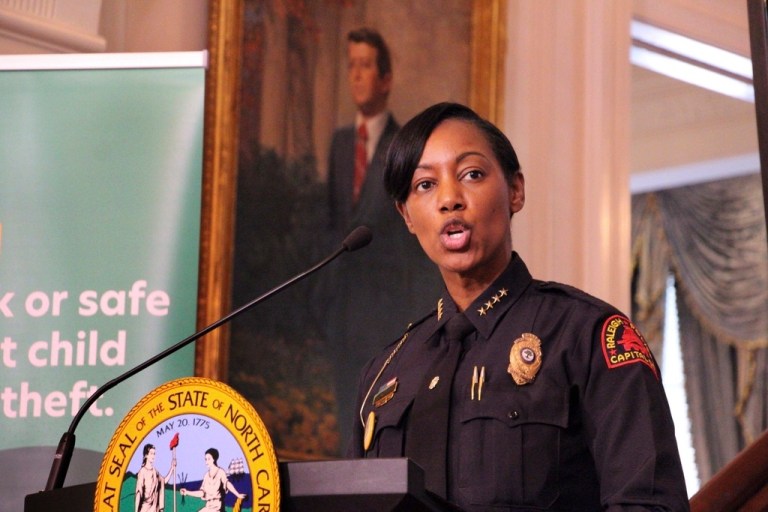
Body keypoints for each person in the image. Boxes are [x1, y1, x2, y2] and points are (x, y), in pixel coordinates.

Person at [349, 102, 690, 511]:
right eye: (425, 185)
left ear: (515, 191)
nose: (449, 199)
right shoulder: (385, 372)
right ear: (406, 215)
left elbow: (649, 504)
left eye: (471, 174)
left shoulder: (588, 337)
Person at [322, 27, 441, 453]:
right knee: (344, 415)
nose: (356, 76)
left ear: (386, 79)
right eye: (351, 66)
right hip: (342, 310)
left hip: (385, 309)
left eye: (366, 66)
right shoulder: (340, 144)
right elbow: (333, 222)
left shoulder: (404, 145)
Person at [180, 448, 246, 512]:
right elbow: (202, 493)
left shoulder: (220, 472)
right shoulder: (206, 476)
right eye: (205, 459)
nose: (206, 461)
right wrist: (187, 492)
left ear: (214, 459)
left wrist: (238, 495)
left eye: (209, 459)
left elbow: (227, 484)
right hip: (208, 507)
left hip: (217, 507)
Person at [134, 444, 175, 512]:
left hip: (154, 509)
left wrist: (172, 468)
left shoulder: (155, 472)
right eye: (151, 453)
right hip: (144, 509)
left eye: (154, 454)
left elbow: (163, 481)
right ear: (146, 455)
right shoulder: (142, 472)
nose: (153, 456)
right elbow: (139, 493)